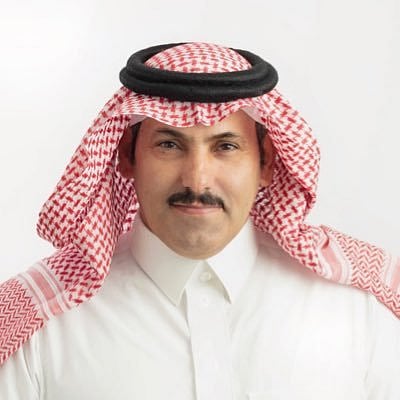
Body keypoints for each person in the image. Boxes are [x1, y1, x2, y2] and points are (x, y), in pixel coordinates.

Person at [0, 42, 399, 399]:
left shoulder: (361, 310)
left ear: (267, 163)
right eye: (169, 144)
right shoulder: (35, 329)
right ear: (126, 158)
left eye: (226, 146)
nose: (197, 179)